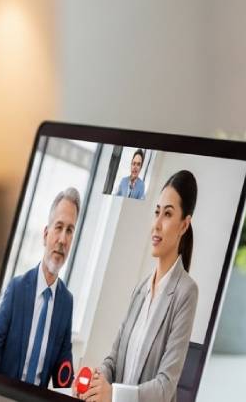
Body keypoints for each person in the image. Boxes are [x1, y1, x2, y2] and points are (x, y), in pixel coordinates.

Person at [80, 170, 200, 402]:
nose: (156, 224)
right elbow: (113, 361)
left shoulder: (186, 292)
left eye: (167, 214)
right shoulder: (140, 290)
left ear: (184, 225)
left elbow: (165, 387)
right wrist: (98, 382)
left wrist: (112, 394)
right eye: (156, 212)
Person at [0, 188, 80, 389]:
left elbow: (63, 375)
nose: (62, 239)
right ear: (46, 235)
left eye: (69, 231)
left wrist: (80, 386)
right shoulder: (17, 289)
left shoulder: (66, 303)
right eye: (58, 227)